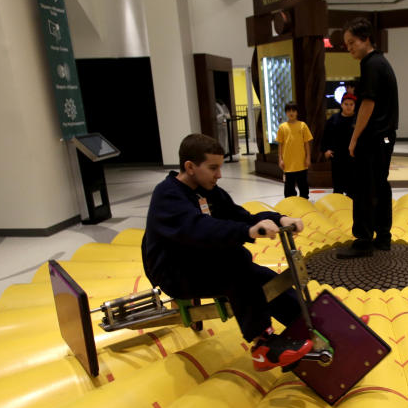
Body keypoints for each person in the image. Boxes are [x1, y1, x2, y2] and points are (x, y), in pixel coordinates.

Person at [141, 133, 313, 371]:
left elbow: (242, 216)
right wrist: (247, 232)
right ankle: (263, 344)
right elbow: (199, 229)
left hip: (202, 260)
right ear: (190, 167)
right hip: (175, 271)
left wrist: (279, 218)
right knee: (238, 270)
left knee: (265, 279)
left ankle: (307, 326)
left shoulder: (209, 191)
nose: (219, 174)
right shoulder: (168, 195)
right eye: (213, 168)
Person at [337, 17, 399, 259]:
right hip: (383, 138)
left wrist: (353, 139)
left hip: (374, 139)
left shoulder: (371, 64)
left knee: (363, 188)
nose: (349, 48)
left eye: (352, 42)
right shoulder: (380, 62)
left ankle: (363, 241)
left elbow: (367, 104)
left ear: (366, 39)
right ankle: (383, 237)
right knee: (380, 186)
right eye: (347, 44)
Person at [276, 101, 313, 200]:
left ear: (297, 112)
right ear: (286, 113)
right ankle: (291, 205)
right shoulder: (282, 127)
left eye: (293, 110)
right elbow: (280, 145)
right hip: (288, 164)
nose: (291, 113)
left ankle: (304, 203)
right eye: (288, 111)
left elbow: (306, 143)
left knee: (303, 186)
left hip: (301, 163)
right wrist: (280, 159)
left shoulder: (303, 125)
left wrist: (308, 158)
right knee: (289, 189)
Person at [322, 92, 357, 195]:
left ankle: (352, 208)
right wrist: (325, 150)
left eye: (351, 104)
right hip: (337, 158)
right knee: (338, 187)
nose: (349, 107)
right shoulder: (333, 120)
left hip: (353, 158)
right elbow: (325, 137)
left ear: (355, 105)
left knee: (353, 187)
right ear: (341, 105)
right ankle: (338, 207)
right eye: (346, 104)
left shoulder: (358, 120)